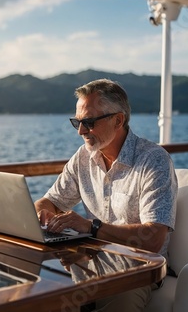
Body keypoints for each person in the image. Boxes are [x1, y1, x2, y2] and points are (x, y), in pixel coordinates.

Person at [34, 78, 177, 312]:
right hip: (89, 259)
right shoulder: (83, 157)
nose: (81, 131)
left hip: (137, 269)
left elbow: (153, 238)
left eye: (88, 122)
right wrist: (43, 214)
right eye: (77, 122)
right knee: (35, 296)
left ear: (118, 120)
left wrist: (90, 227)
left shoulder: (153, 160)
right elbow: (49, 201)